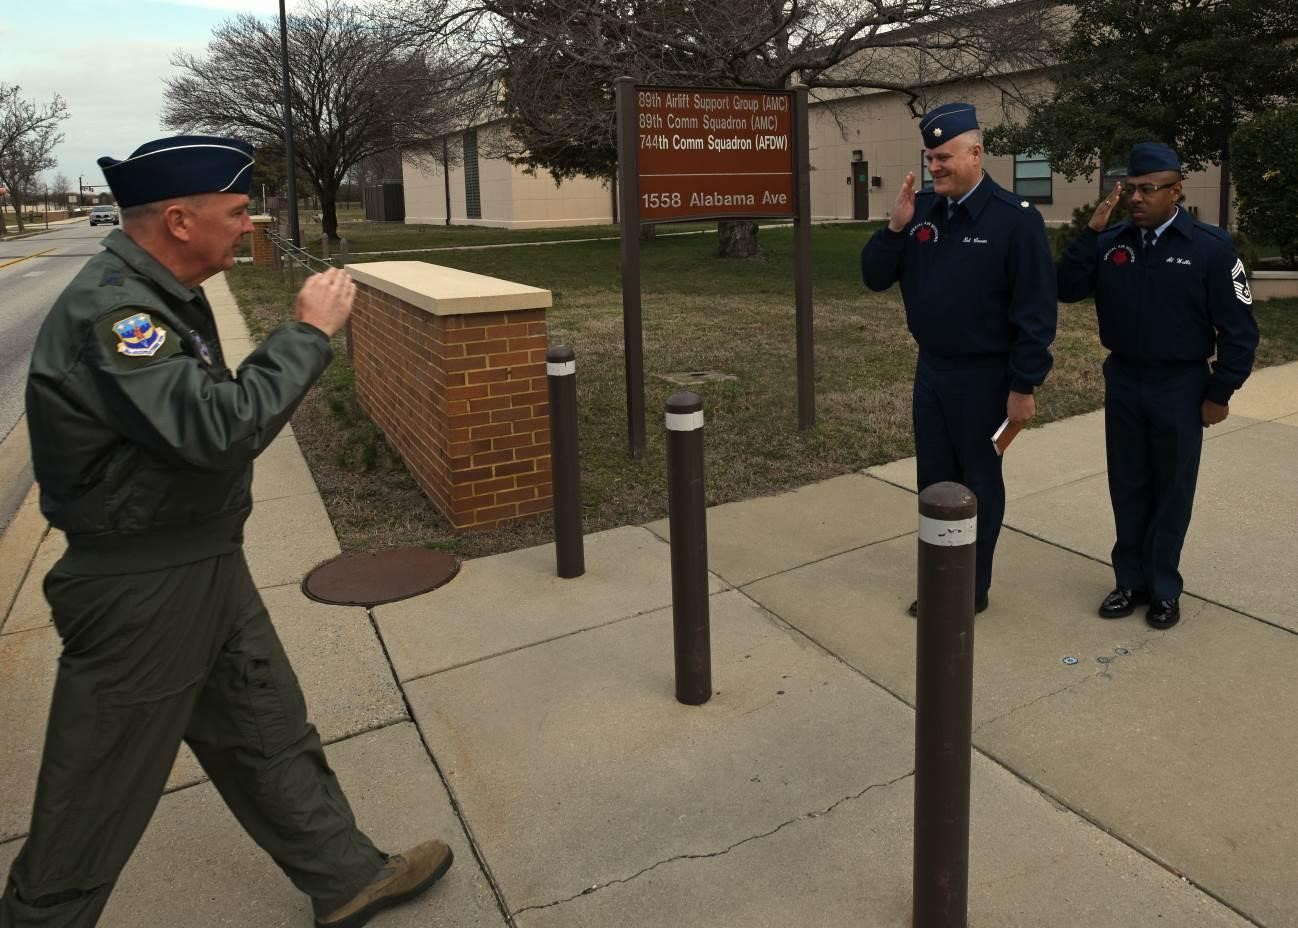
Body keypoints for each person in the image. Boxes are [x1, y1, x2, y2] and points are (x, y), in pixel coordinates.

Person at [4, 136, 452, 928]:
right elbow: (216, 429)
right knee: (95, 792)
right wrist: (307, 334)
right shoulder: (118, 313)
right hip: (143, 589)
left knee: (264, 726)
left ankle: (345, 876)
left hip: (198, 558)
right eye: (239, 211)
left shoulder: (163, 289)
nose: (252, 226)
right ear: (179, 219)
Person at [862, 103, 1057, 616]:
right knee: (934, 480)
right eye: (930, 158)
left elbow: (1036, 313)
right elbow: (874, 277)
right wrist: (895, 228)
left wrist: (1024, 385)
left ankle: (969, 588)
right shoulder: (920, 212)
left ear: (976, 152)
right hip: (934, 372)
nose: (936, 168)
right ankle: (941, 578)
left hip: (986, 378)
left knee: (979, 484)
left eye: (944, 157)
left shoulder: (1016, 220)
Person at [1057, 142, 1258, 630]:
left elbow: (1240, 329)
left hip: (1181, 385)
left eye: (1150, 189)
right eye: (1131, 189)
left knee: (1171, 491)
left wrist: (1219, 393)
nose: (1137, 198)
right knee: (1127, 486)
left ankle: (1164, 588)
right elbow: (1064, 287)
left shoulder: (1208, 248)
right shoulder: (1112, 243)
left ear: (1176, 190)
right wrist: (1091, 233)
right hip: (1124, 380)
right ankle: (1130, 582)